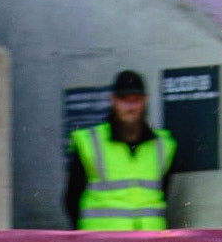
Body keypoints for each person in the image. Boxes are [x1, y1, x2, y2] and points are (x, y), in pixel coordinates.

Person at [65, 70, 176, 231]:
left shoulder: (163, 145)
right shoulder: (89, 142)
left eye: (136, 100)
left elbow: (163, 192)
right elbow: (72, 199)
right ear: (113, 100)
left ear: (145, 100)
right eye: (124, 100)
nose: (130, 107)